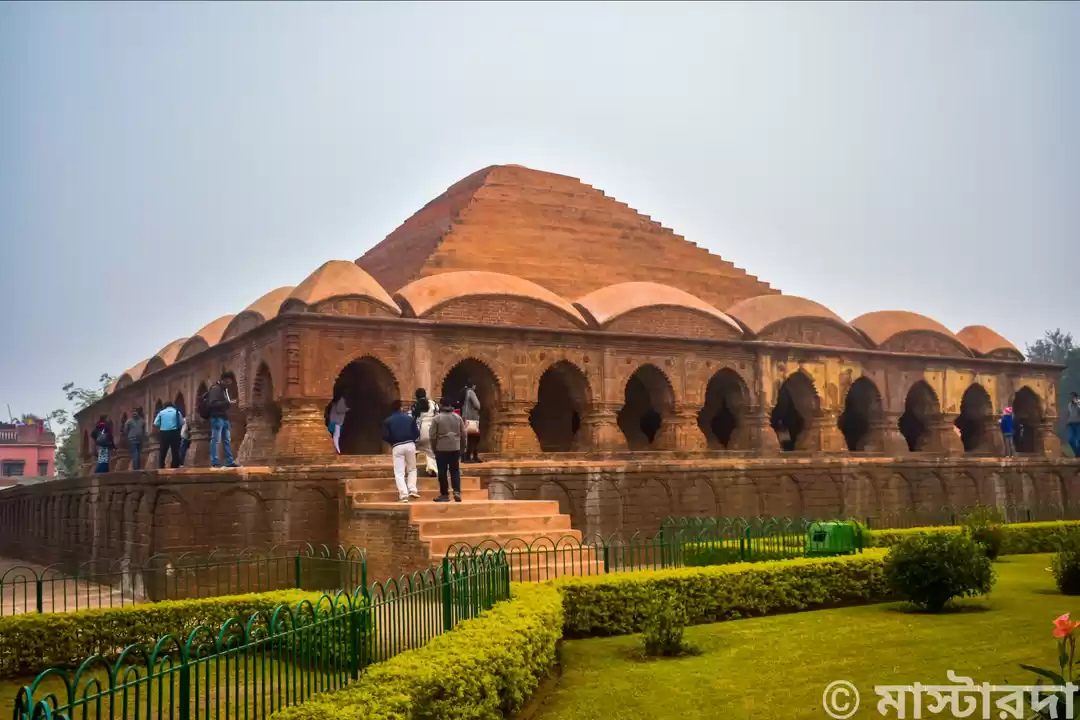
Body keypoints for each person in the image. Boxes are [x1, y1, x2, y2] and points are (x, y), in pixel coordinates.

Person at [429, 398, 467, 502]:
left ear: (441, 405)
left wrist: (434, 448)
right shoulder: (457, 418)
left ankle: (444, 494)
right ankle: (456, 491)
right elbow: (464, 434)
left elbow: (432, 436)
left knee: (442, 471)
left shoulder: (437, 419)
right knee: (455, 470)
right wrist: (462, 448)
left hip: (441, 448)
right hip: (455, 447)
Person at [382, 405, 420, 503]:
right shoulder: (410, 419)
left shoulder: (387, 421)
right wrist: (412, 439)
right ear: (401, 409)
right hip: (410, 444)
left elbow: (385, 436)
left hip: (397, 446)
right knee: (412, 468)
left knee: (399, 472)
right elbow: (417, 433)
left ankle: (404, 495)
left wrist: (392, 442)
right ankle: (413, 489)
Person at [204, 373, 240, 468]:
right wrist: (227, 403)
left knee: (227, 440)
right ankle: (215, 461)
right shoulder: (215, 389)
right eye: (228, 382)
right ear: (224, 380)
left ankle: (229, 461)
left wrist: (228, 403)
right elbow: (213, 404)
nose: (229, 384)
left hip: (224, 417)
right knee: (215, 439)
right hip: (216, 417)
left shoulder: (224, 390)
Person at [411, 388, 438, 477]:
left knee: (413, 449)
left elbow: (413, 417)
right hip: (431, 429)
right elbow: (437, 414)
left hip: (419, 429)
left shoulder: (415, 405)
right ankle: (433, 469)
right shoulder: (433, 404)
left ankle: (411, 471)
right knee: (430, 451)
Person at [154, 401, 184, 469]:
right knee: (175, 450)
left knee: (163, 450)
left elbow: (156, 423)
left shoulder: (161, 413)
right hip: (174, 432)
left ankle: (161, 465)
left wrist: (163, 424)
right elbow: (182, 422)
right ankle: (174, 465)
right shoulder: (177, 412)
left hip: (164, 433)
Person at [461, 379, 482, 463]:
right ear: (473, 385)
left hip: (464, 418)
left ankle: (471, 456)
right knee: (474, 437)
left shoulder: (463, 392)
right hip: (471, 418)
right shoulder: (471, 392)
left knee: (468, 437)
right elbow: (478, 405)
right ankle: (468, 457)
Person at [1068, 392, 1080, 458]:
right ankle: (1077, 453)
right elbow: (1070, 414)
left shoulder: (1079, 402)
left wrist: (1077, 403)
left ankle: (1078, 455)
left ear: (1075, 397)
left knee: (1078, 440)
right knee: (1070, 440)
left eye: (1072, 396)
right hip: (1071, 424)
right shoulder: (1069, 405)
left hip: (1078, 423)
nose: (1070, 398)